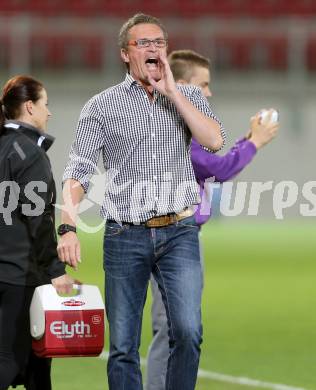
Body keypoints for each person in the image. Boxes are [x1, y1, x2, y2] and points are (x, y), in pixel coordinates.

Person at [57, 13, 225, 390]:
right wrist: (67, 226)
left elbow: (214, 140)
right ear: (124, 53)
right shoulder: (101, 106)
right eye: (143, 43)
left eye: (159, 43)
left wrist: (174, 94)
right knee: (123, 347)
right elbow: (77, 171)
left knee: (188, 331)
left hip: (179, 231)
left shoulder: (190, 96)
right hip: (124, 236)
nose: (153, 49)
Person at [145, 49, 279, 390]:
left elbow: (211, 163)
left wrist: (248, 140)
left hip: (180, 236)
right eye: (203, 85)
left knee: (177, 329)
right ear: (184, 85)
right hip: (173, 239)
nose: (209, 92)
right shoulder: (173, 125)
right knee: (174, 329)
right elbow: (218, 169)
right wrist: (256, 145)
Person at [0, 75, 74, 390]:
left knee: (35, 366)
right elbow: (39, 219)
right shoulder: (28, 153)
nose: (50, 112)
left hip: (6, 270)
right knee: (12, 360)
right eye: (45, 104)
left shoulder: (4, 146)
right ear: (30, 107)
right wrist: (55, 270)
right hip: (21, 274)